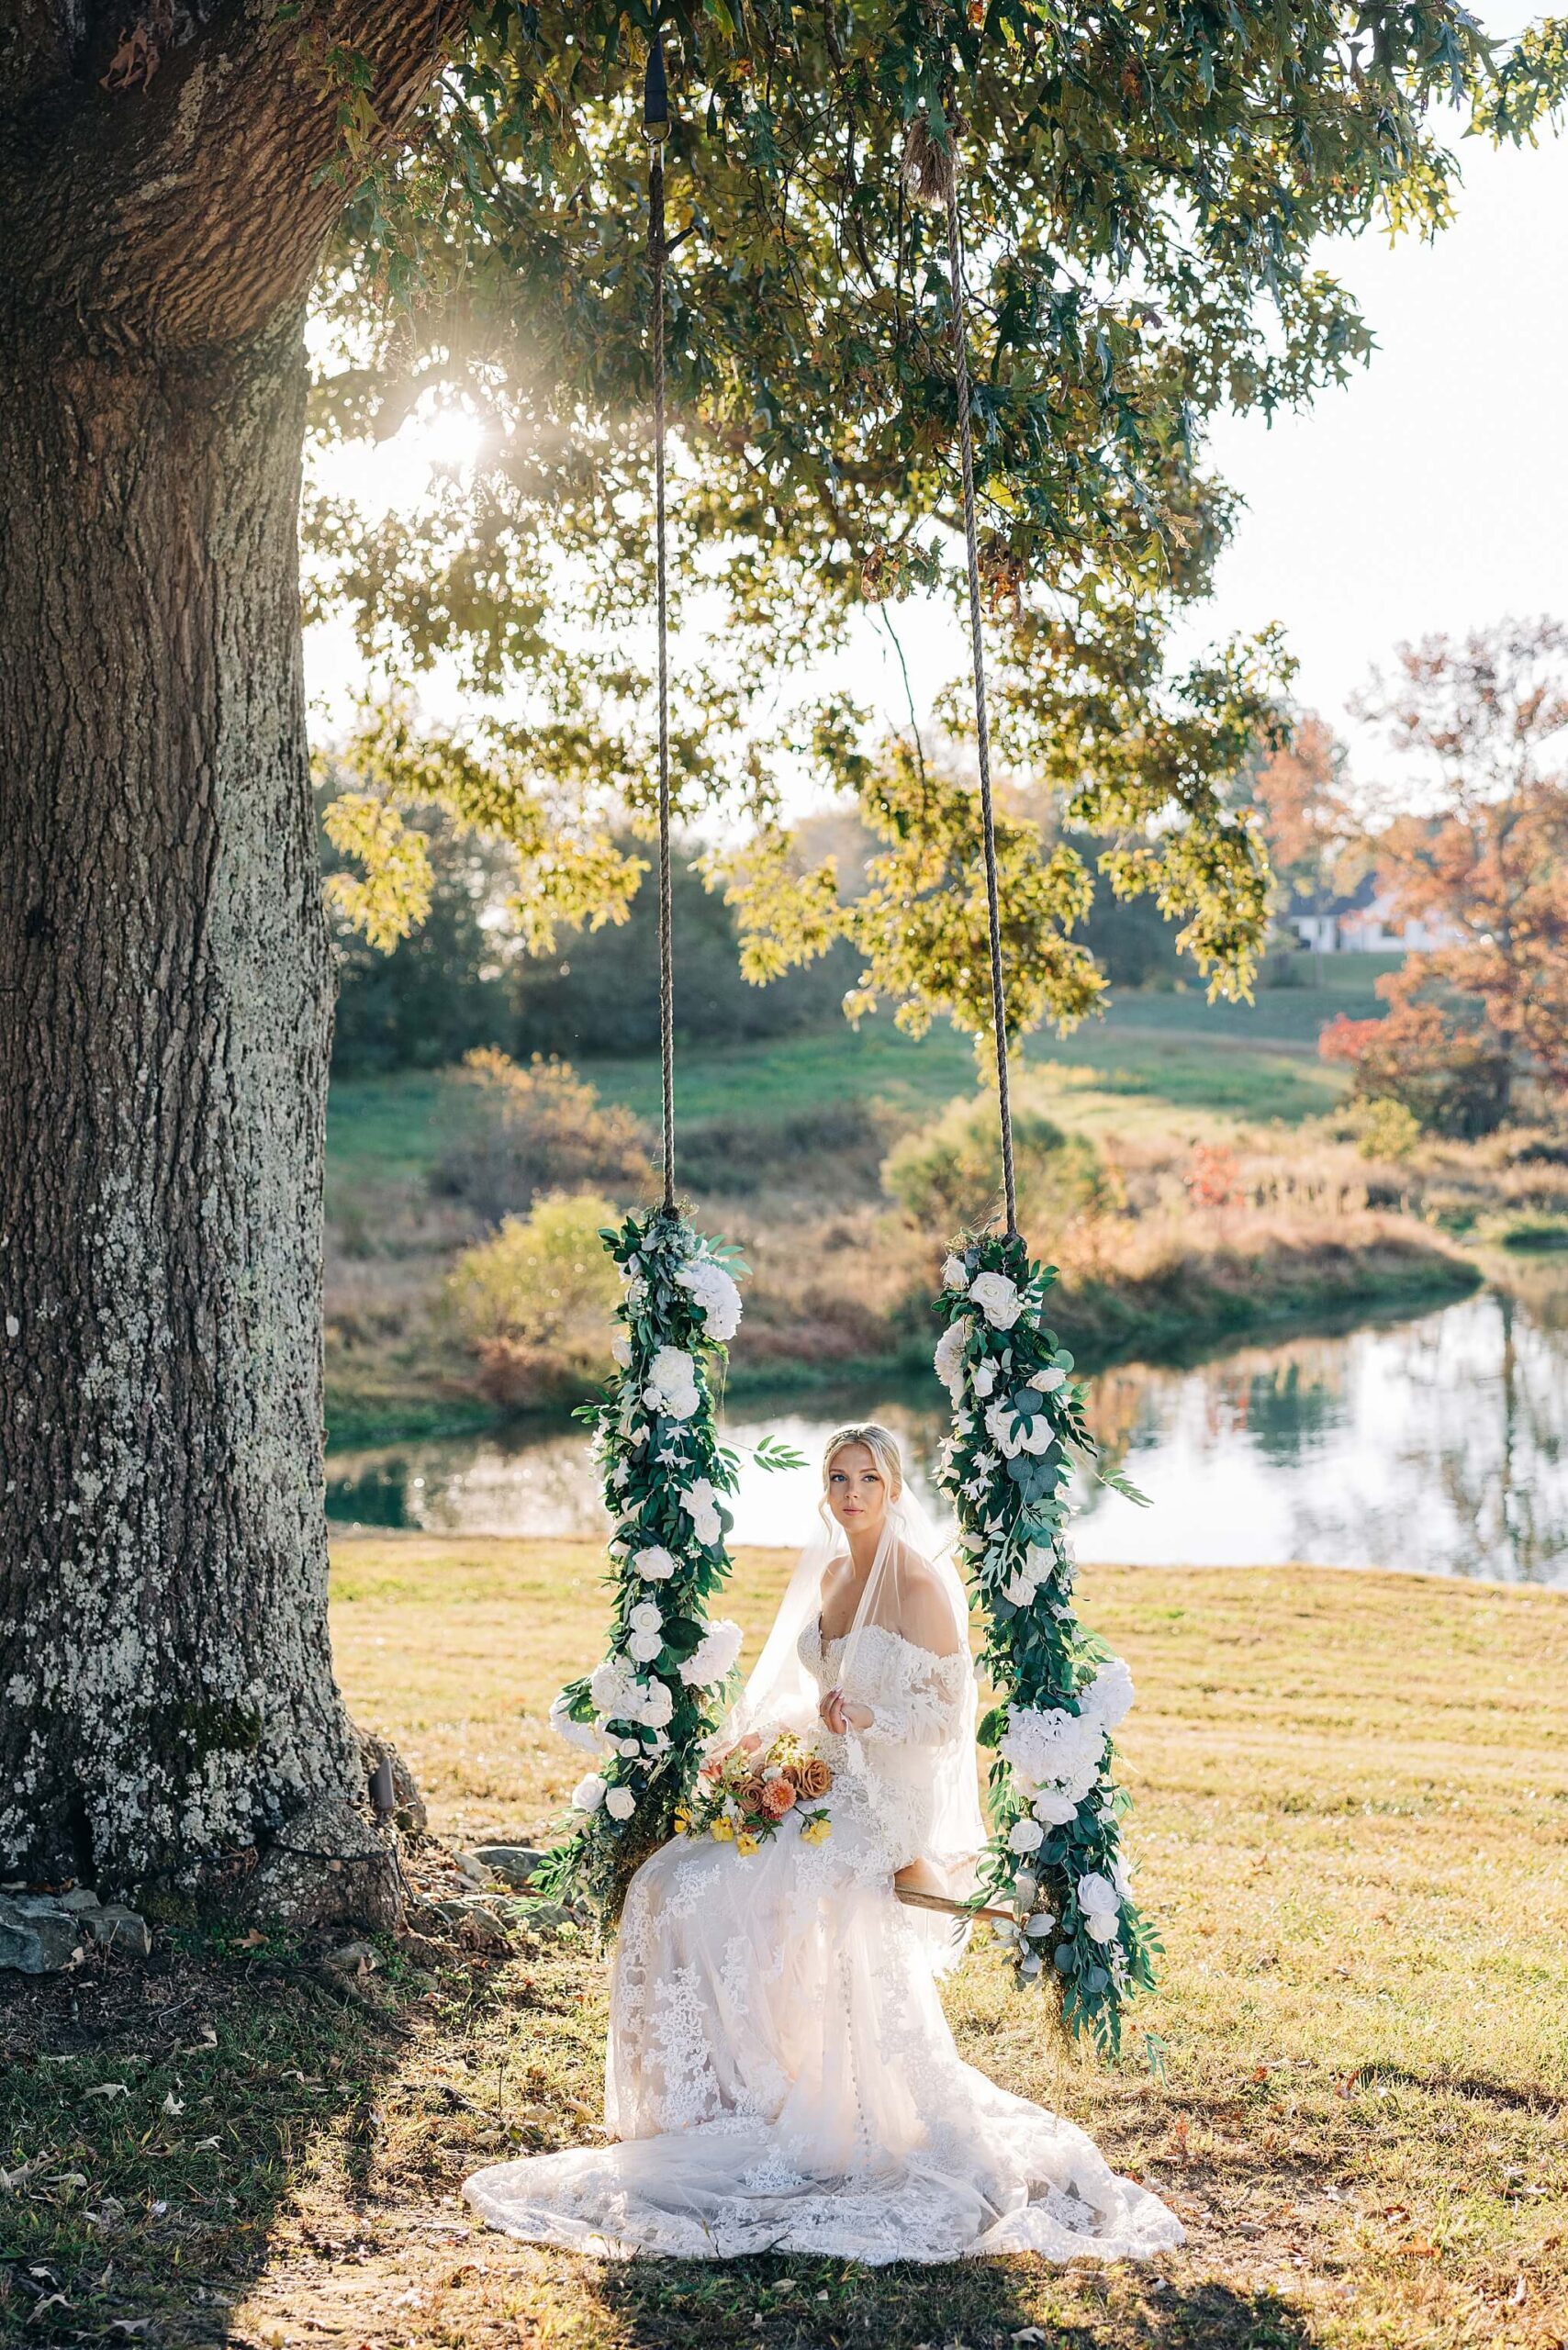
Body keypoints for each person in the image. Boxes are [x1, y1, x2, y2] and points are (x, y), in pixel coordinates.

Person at [462, 1423, 1182, 2264]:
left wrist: (871, 1718)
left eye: (867, 1479)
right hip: (828, 1776)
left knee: (768, 1884)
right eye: (838, 1478)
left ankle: (791, 2094)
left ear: (895, 1488)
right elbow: (818, 1699)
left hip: (886, 1800)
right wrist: (765, 1745)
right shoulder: (836, 1570)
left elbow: (947, 1720)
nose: (851, 1494)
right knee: (670, 1879)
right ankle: (710, 2099)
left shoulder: (920, 1583)